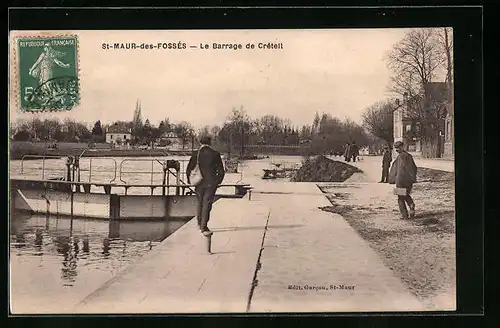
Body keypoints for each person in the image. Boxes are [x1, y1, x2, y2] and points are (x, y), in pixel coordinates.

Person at [186, 135, 225, 235]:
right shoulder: (215, 154)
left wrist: (190, 180)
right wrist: (218, 181)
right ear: (210, 142)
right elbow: (221, 170)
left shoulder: (196, 154)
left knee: (200, 202)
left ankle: (199, 223)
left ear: (200, 143)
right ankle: (204, 226)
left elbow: (189, 168)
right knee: (207, 203)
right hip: (211, 182)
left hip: (198, 182)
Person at [390, 141, 417, 219]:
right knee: (405, 194)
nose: (397, 149)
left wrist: (393, 178)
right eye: (396, 148)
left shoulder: (400, 157)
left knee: (400, 198)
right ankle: (411, 205)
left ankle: (405, 215)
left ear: (402, 147)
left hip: (400, 180)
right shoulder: (409, 156)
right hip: (408, 180)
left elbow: (396, 170)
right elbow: (414, 168)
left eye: (398, 147)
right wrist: (413, 178)